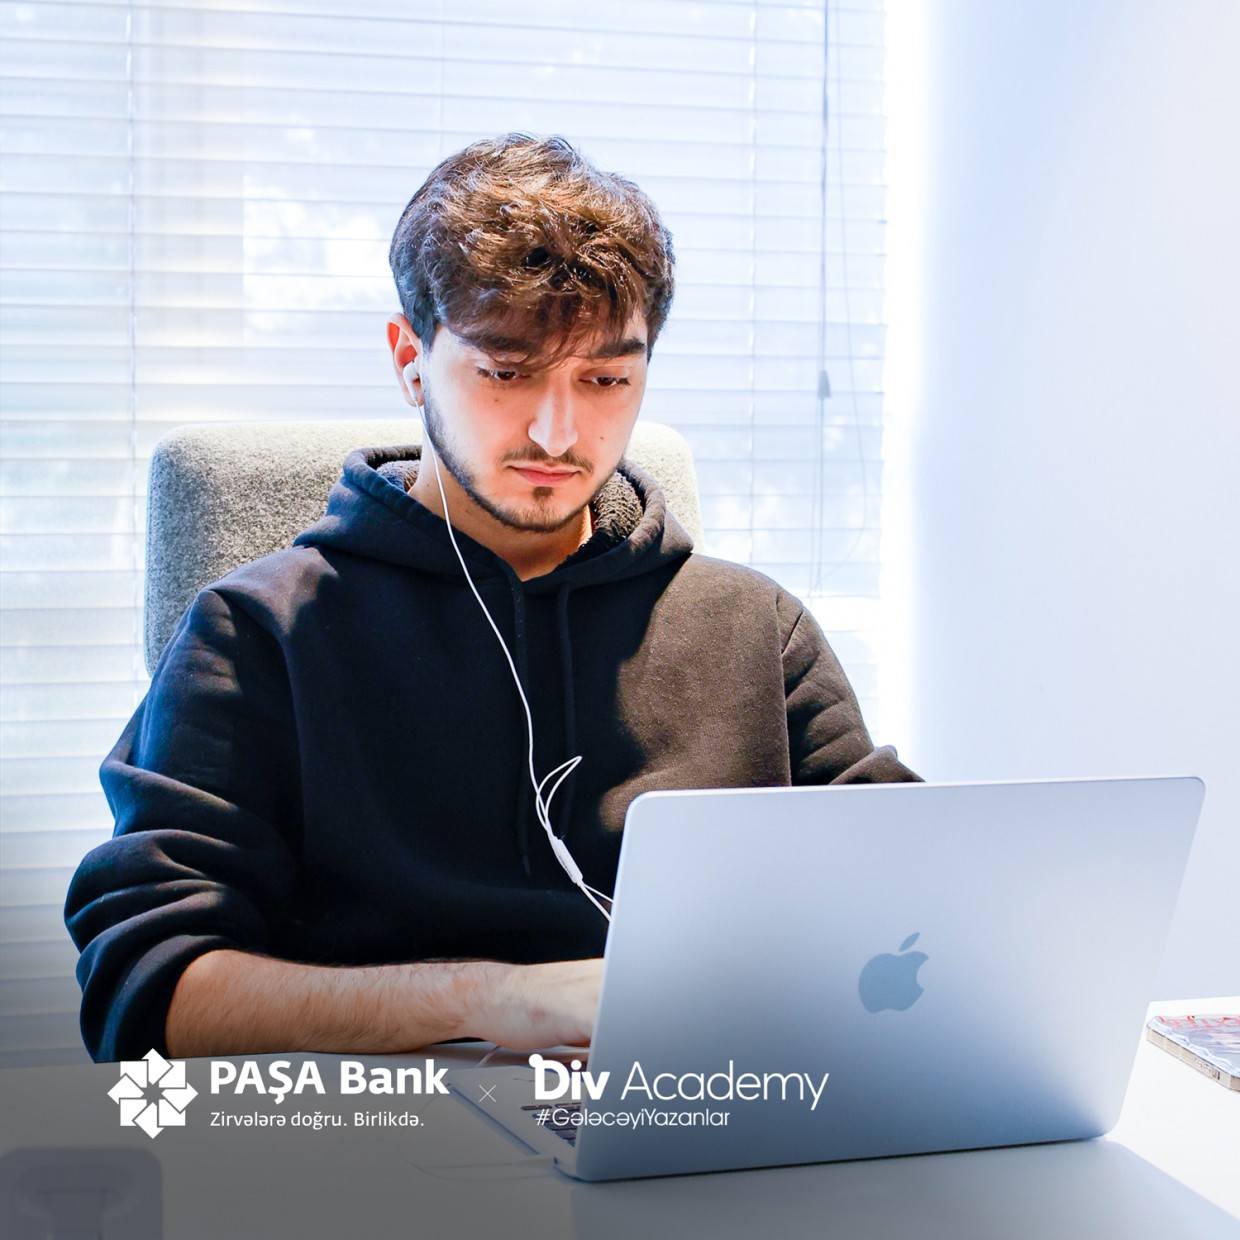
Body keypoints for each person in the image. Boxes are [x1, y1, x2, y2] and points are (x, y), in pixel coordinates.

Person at [65, 134, 919, 1064]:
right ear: (410, 360)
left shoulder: (756, 631)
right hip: (392, 1130)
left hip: (710, 1111)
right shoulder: (258, 633)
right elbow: (151, 996)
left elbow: (919, 908)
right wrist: (488, 999)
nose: (558, 431)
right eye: (506, 372)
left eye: (606, 380)